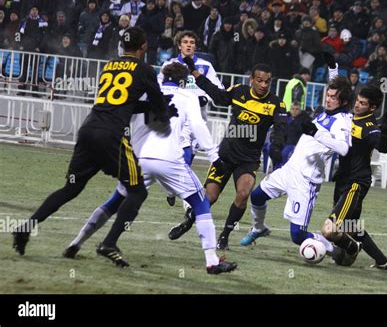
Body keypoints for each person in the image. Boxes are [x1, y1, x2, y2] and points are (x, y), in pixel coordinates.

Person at [12, 27, 176, 267]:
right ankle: (109, 243)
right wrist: (165, 112)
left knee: (69, 189)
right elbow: (159, 108)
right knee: (137, 191)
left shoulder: (109, 65)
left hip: (88, 130)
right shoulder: (144, 69)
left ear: (122, 46)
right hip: (111, 136)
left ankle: (27, 227)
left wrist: (151, 109)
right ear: (144, 47)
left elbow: (120, 102)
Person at [63, 62, 237, 274]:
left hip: (141, 158)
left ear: (163, 78)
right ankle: (211, 261)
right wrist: (213, 156)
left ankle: (76, 242)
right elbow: (199, 127)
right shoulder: (188, 97)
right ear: (184, 81)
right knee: (200, 203)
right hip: (170, 160)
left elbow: (129, 118)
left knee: (115, 201)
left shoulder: (147, 95)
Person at [169, 60, 288, 250]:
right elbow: (219, 96)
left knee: (243, 194)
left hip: (248, 160)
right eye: (260, 81)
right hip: (225, 155)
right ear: (252, 80)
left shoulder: (276, 103)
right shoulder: (239, 91)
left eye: (267, 82)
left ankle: (225, 235)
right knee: (210, 197)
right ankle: (187, 223)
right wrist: (196, 74)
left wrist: (276, 146)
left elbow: (281, 129)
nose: (263, 85)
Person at [240, 60, 352, 251]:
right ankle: (258, 228)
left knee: (298, 235)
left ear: (343, 102)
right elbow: (337, 89)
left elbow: (344, 148)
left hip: (306, 180)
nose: (329, 99)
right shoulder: (330, 111)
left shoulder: (343, 121)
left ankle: (339, 248)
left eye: (334, 97)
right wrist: (332, 68)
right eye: (329, 95)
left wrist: (316, 133)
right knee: (257, 196)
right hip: (290, 169)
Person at [324, 86, 387, 269]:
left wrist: (386, 130)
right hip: (343, 180)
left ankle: (353, 248)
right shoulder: (348, 117)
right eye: (357, 100)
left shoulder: (369, 127)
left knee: (329, 230)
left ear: (372, 108)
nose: (357, 105)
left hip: (356, 183)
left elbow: (382, 146)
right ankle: (383, 261)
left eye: (363, 103)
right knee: (350, 226)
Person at [157, 30, 224, 206]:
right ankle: (184, 197)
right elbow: (158, 86)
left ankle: (176, 192)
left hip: (197, 119)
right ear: (179, 45)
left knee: (187, 158)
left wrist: (206, 97)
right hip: (176, 119)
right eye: (185, 42)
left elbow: (218, 88)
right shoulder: (169, 64)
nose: (188, 45)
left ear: (195, 46)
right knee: (178, 158)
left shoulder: (205, 66)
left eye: (192, 42)